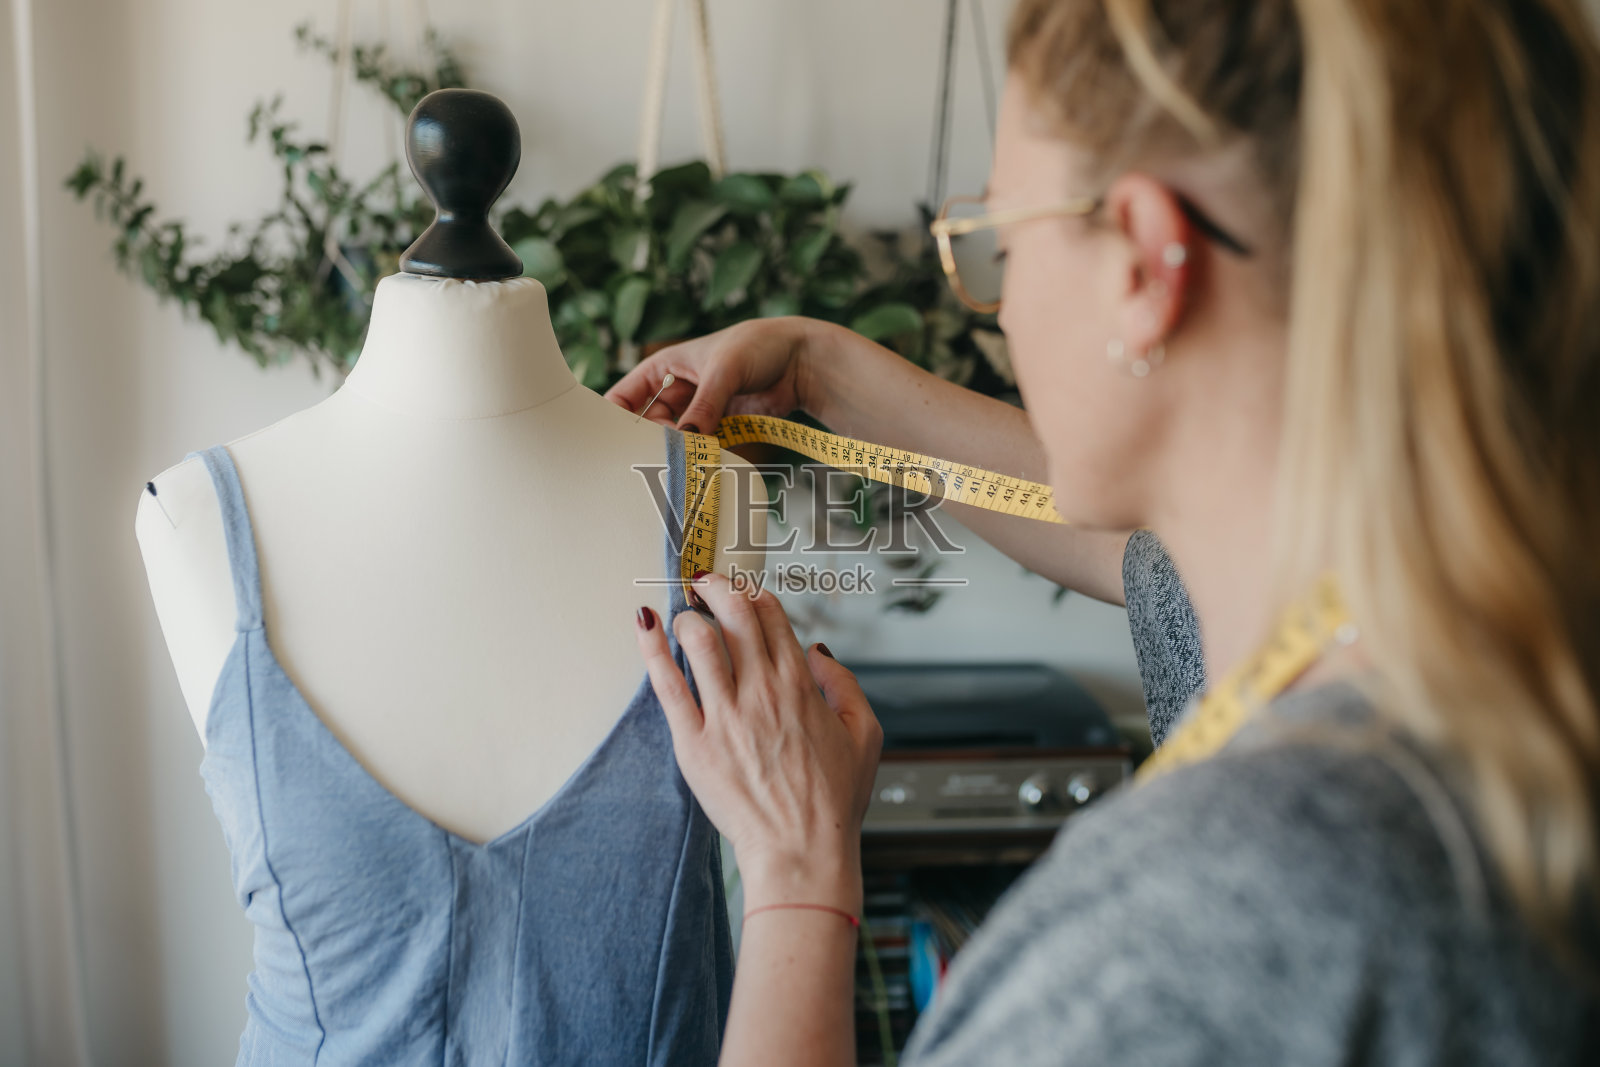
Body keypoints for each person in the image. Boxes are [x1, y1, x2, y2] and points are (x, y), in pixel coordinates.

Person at [604, 0, 1600, 1062]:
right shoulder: (1470, 649)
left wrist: (798, 870)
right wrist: (819, 370)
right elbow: (1142, 552)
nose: (1003, 309)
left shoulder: (1184, 938)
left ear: (1145, 261)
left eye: (992, 245)